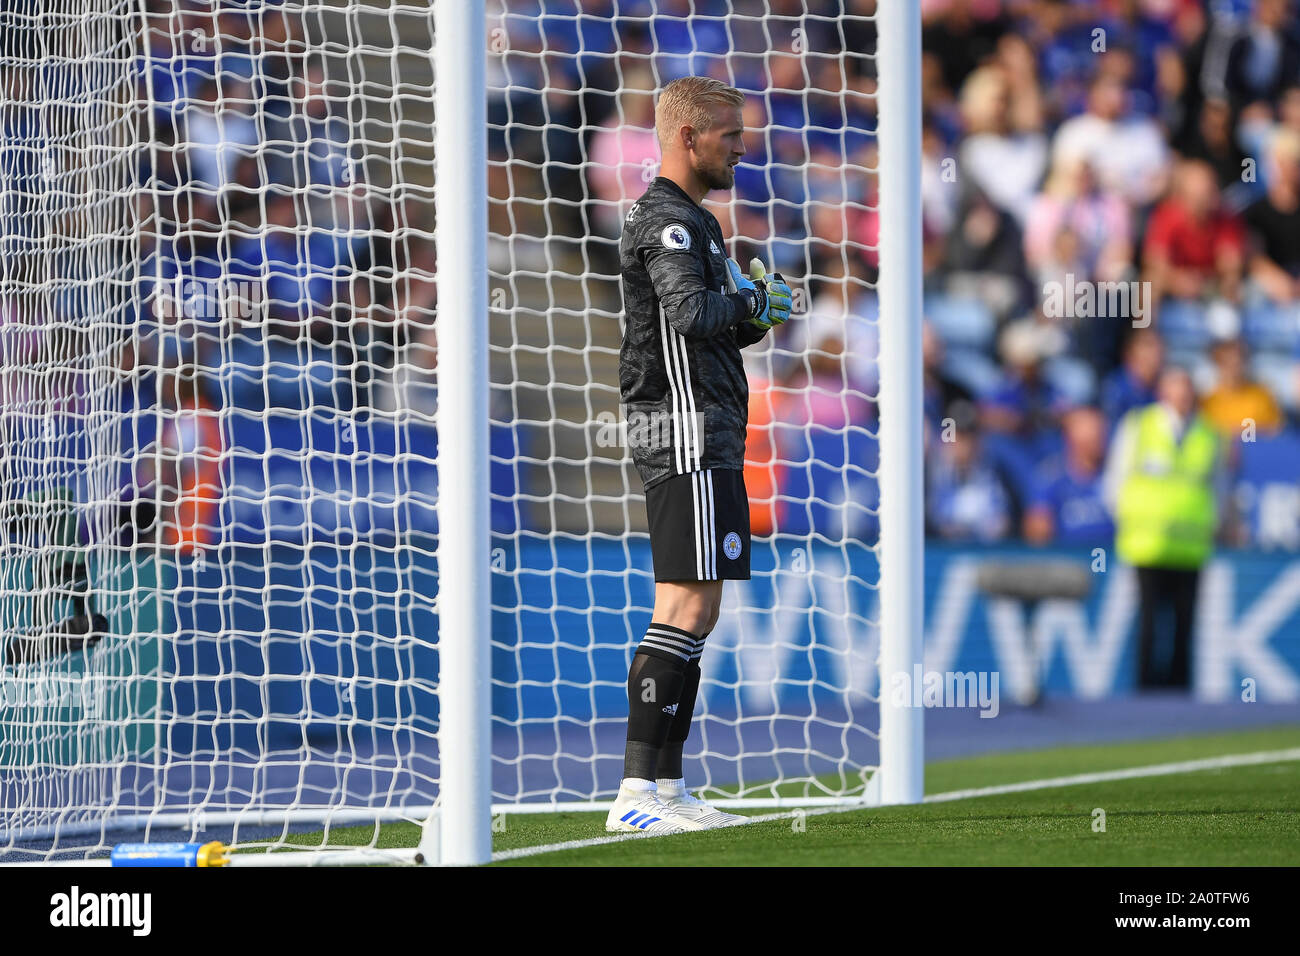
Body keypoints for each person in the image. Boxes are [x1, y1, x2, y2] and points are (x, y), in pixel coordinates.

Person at [609, 76, 793, 834]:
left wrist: (756, 316)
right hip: (678, 425)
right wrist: (750, 303)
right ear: (689, 136)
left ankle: (669, 788)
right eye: (730, 136)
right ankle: (634, 795)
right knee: (682, 604)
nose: (742, 149)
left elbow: (712, 325)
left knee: (701, 608)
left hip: (710, 426)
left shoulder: (702, 225)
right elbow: (688, 316)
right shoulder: (667, 222)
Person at [1103, 367, 1219, 690]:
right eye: (1175, 387)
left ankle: (1180, 694)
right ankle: (1145, 692)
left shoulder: (1207, 434)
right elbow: (1116, 478)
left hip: (1190, 546)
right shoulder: (1139, 426)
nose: (1181, 396)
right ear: (1162, 391)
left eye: (1186, 388)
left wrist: (1212, 524)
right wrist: (1128, 518)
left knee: (1185, 625)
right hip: (1147, 543)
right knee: (1148, 623)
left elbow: (1217, 487)